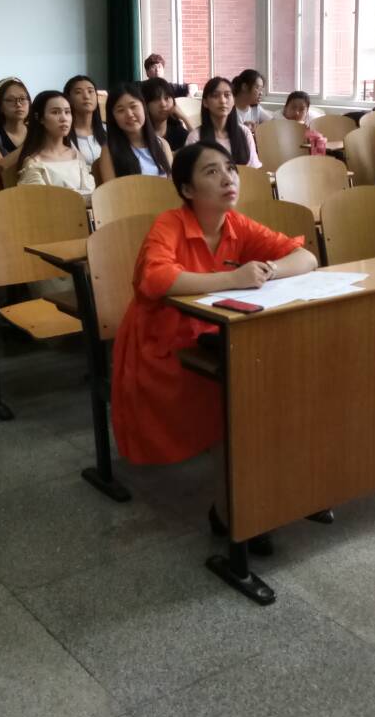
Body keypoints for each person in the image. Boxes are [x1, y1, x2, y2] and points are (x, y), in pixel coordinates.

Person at [111, 140, 317, 545]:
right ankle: (230, 513)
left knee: (281, 377)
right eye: (212, 171)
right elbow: (154, 279)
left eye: (230, 169)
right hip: (164, 342)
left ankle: (290, 489)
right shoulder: (170, 223)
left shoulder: (236, 223)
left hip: (218, 330)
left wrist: (268, 269)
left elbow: (305, 258)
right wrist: (233, 278)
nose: (227, 178)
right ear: (187, 189)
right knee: (235, 399)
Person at [16, 91, 95, 194]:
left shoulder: (76, 155)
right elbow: (37, 199)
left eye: (67, 112)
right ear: (40, 118)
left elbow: (90, 193)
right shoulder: (34, 162)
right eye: (55, 112)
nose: (64, 118)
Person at [95, 85, 172, 184]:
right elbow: (111, 191)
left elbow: (172, 184)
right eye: (120, 110)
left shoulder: (162, 144)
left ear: (144, 107)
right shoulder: (109, 151)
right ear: (113, 117)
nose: (129, 114)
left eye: (133, 106)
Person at [186, 76, 260, 168]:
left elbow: (254, 169)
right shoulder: (196, 137)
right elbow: (190, 173)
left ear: (234, 101)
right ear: (205, 102)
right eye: (215, 96)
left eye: (227, 95)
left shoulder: (244, 132)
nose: (222, 101)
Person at [0, 77, 30, 175]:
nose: (18, 104)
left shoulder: (37, 131)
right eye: (10, 100)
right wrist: (30, 143)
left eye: (22, 99)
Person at [63, 74, 107, 171]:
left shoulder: (109, 130)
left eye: (90, 91)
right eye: (78, 92)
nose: (86, 96)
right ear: (68, 99)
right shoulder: (63, 134)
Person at [143, 77, 190, 153]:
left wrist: (185, 118)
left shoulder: (178, 132)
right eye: (156, 99)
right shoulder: (140, 135)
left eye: (167, 98)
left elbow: (199, 148)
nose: (163, 104)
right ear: (145, 104)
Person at [282, 90, 327, 156]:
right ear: (285, 108)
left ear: (307, 112)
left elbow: (318, 156)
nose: (297, 113)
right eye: (293, 107)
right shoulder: (273, 126)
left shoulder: (313, 134)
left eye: (302, 109)